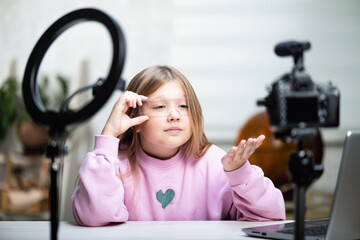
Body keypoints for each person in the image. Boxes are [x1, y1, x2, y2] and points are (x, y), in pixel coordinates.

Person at [71, 65, 286, 226]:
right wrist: (109, 136)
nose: (174, 115)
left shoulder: (216, 164)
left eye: (183, 106)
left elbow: (271, 218)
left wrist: (241, 174)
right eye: (160, 106)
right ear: (134, 119)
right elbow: (94, 218)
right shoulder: (114, 164)